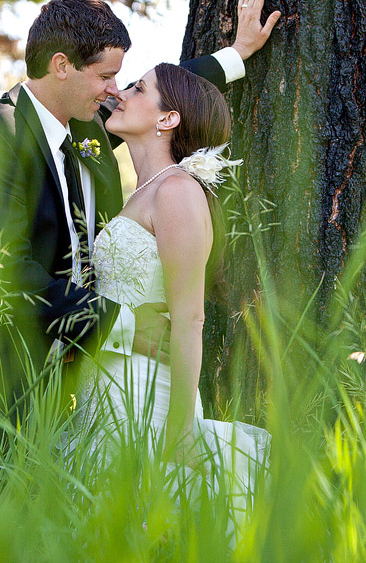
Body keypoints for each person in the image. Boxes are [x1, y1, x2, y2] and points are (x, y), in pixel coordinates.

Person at [0, 0, 280, 441]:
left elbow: (164, 102)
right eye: (106, 77)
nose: (115, 92)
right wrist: (123, 325)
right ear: (62, 66)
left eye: (122, 80)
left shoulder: (87, 134)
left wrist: (237, 54)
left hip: (73, 398)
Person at [73, 62, 271, 534]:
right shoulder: (139, 194)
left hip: (146, 398)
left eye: (138, 88)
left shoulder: (178, 191)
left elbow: (188, 318)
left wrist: (182, 426)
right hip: (104, 388)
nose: (120, 94)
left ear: (168, 119)